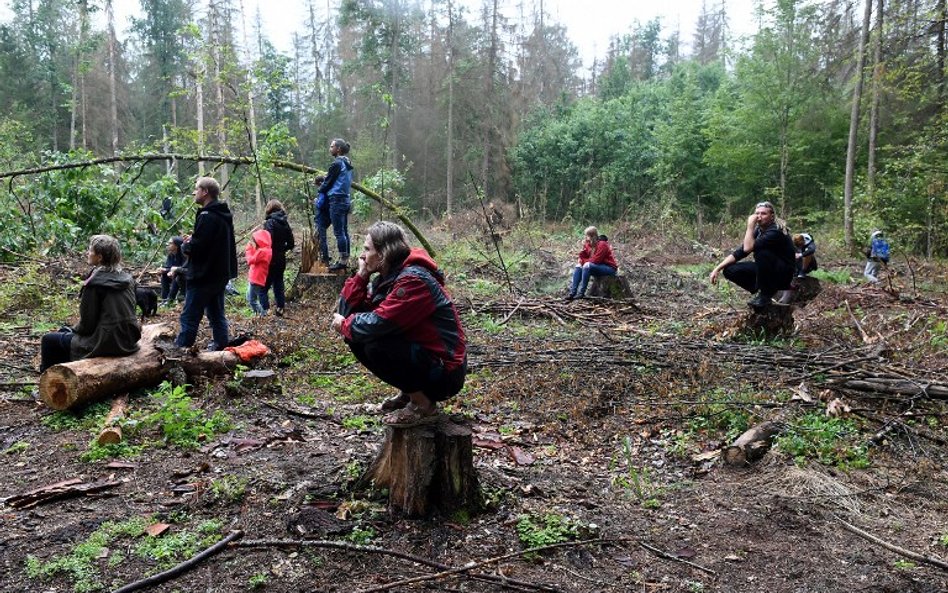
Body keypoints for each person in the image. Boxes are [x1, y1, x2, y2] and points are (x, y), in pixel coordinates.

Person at [331, 221, 467, 426]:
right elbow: (347, 312)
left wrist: (347, 324)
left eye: (367, 249)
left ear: (383, 254)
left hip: (446, 372)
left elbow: (380, 322)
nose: (362, 255)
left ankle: (423, 405)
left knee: (377, 343)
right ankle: (409, 394)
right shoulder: (388, 278)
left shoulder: (414, 280)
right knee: (358, 337)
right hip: (429, 362)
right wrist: (361, 276)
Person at [40, 235, 141, 372]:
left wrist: (74, 330)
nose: (88, 253)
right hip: (129, 338)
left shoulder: (95, 284)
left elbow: (87, 325)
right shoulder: (128, 279)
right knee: (66, 333)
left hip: (107, 341)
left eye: (90, 250)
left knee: (49, 340)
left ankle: (45, 383)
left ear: (99, 257)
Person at [175, 176, 238, 351]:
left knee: (190, 316)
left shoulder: (207, 216)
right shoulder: (221, 215)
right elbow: (210, 243)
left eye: (197, 189)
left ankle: (179, 351)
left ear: (205, 192)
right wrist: (195, 238)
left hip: (204, 275)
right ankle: (220, 345)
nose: (194, 193)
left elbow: (197, 248)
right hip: (218, 274)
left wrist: (186, 244)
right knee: (216, 313)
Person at [709, 201, 796, 309]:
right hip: (769, 270)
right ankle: (763, 290)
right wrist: (717, 269)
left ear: (772, 216)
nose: (759, 217)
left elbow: (748, 248)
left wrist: (750, 226)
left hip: (783, 274)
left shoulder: (776, 230)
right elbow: (741, 252)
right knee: (729, 270)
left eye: (763, 214)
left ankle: (765, 295)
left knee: (761, 252)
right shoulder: (759, 230)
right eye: (757, 213)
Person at [318, 138, 354, 271]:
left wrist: (320, 189)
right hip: (346, 199)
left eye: (332, 146)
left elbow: (327, 182)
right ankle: (346, 258)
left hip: (336, 200)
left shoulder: (337, 163)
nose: (330, 148)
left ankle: (343, 261)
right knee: (344, 231)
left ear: (338, 149)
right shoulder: (347, 163)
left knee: (339, 232)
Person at [566, 226, 618, 300]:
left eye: (587, 235)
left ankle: (581, 293)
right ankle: (572, 293)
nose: (585, 237)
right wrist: (581, 259)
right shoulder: (589, 244)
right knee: (578, 266)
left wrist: (584, 261)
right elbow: (585, 257)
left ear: (592, 236)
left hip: (609, 268)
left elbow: (596, 260)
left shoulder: (602, 244)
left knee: (587, 265)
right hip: (597, 266)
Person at [262, 200, 295, 316]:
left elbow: (267, 241)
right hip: (281, 259)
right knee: (278, 284)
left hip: (270, 259)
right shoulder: (285, 223)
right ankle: (280, 308)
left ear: (269, 209)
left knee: (263, 287)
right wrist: (282, 249)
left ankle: (264, 311)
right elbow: (291, 243)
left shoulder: (270, 222)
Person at [245, 228, 272, 317]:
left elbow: (250, 260)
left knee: (252, 300)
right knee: (249, 297)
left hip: (256, 278)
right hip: (255, 277)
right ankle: (258, 314)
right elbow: (254, 258)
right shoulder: (265, 250)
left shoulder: (263, 252)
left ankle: (262, 314)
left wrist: (249, 248)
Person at [160, 236, 186, 306]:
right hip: (174, 274)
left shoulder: (184, 254)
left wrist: (174, 271)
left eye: (170, 243)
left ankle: (170, 299)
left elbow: (185, 267)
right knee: (164, 276)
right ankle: (164, 299)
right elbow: (168, 267)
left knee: (176, 275)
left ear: (176, 245)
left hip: (183, 277)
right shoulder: (171, 254)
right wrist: (165, 270)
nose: (168, 245)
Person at [313, 176, 331, 267]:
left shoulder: (323, 191)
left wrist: (316, 201)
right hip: (328, 217)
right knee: (319, 237)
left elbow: (320, 205)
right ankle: (324, 257)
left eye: (317, 185)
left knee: (321, 238)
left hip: (322, 218)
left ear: (320, 183)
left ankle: (325, 259)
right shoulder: (330, 189)